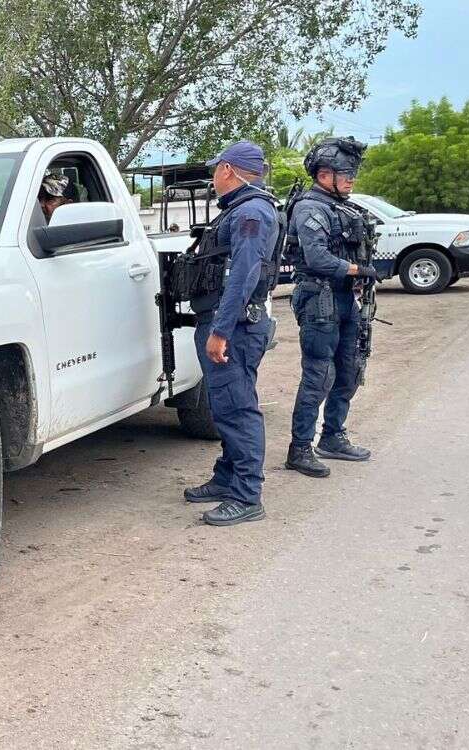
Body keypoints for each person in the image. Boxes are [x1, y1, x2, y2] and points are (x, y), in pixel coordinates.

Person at [182, 140, 279, 527]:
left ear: (228, 170)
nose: (213, 177)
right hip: (233, 324)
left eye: (215, 169)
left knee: (238, 409)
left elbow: (243, 274)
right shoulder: (243, 210)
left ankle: (247, 495)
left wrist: (220, 331)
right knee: (226, 406)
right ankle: (227, 479)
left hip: (236, 327)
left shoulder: (251, 212)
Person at [284, 137, 376, 479]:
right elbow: (318, 258)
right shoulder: (310, 207)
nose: (351, 179)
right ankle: (300, 448)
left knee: (350, 368)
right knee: (319, 375)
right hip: (318, 298)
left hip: (343, 298)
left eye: (352, 173)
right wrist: (357, 270)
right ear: (324, 175)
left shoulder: (339, 206)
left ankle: (333, 436)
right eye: (345, 173)